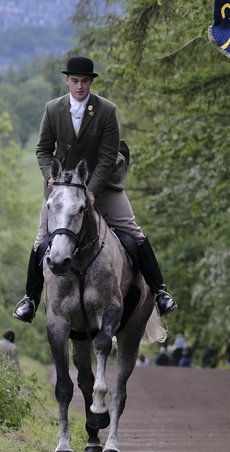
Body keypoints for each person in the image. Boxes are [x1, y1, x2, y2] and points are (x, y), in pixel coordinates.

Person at [12, 55, 177, 324]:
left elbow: (108, 155)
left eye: (85, 81)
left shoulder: (106, 110)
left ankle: (160, 291)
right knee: (41, 237)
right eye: (75, 81)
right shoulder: (53, 109)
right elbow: (42, 149)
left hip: (102, 184)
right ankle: (30, 299)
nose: (79, 86)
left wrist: (92, 190)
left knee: (132, 229)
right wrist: (48, 178)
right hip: (63, 188)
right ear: (67, 81)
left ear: (91, 82)